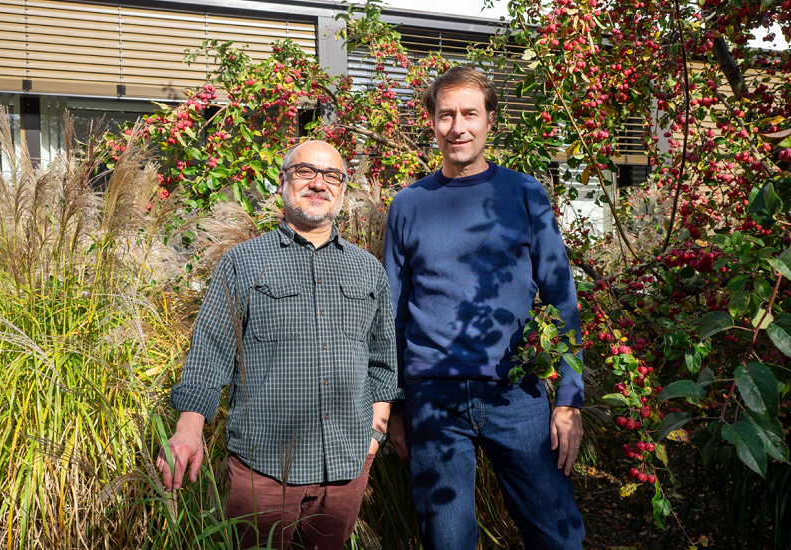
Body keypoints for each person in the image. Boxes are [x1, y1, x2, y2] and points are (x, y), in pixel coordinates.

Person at [157, 140, 403, 549]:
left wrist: (374, 438)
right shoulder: (243, 262)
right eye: (306, 172)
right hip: (263, 470)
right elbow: (210, 351)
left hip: (346, 468)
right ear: (283, 180)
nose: (319, 184)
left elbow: (382, 362)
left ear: (342, 188)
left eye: (332, 176)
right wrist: (188, 429)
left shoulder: (368, 270)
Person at [383, 66, 586, 549]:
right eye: (446, 115)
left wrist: (568, 399)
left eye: (470, 114)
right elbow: (391, 314)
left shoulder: (524, 195)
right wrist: (393, 407)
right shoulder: (408, 205)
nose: (458, 127)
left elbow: (562, 298)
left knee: (559, 537)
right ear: (431, 122)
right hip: (434, 402)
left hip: (516, 395)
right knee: (448, 542)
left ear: (490, 119)